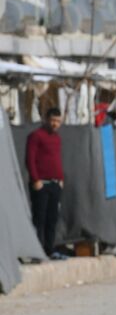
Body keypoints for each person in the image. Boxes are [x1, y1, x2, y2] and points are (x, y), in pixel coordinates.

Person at [26, 107, 65, 259]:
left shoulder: (57, 138)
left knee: (52, 218)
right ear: (46, 119)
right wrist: (36, 179)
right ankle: (38, 250)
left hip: (55, 184)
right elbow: (30, 159)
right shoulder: (36, 136)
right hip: (41, 183)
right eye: (53, 120)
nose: (55, 124)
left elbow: (56, 159)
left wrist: (61, 179)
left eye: (58, 121)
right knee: (39, 218)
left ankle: (50, 249)